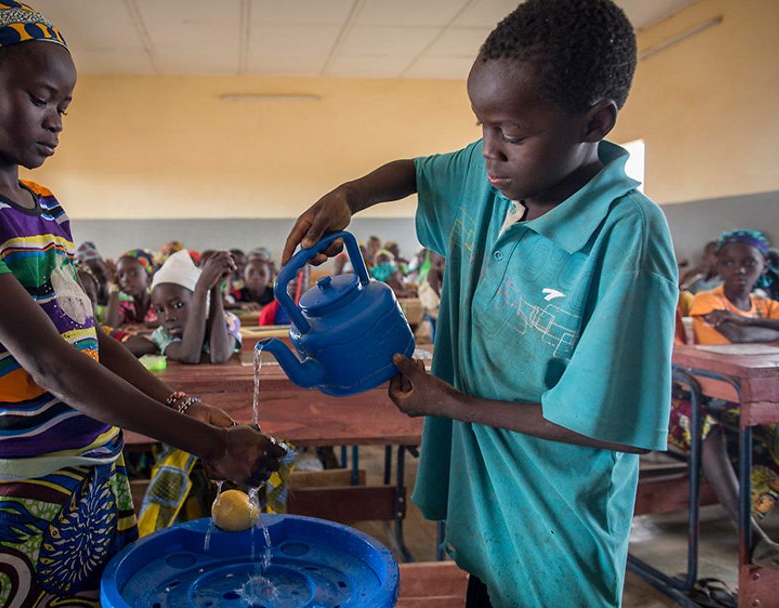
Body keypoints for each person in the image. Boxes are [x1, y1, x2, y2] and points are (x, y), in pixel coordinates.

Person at [280, 1, 676, 605]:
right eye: (481, 127)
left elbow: (611, 426)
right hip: (481, 505)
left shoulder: (627, 236)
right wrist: (351, 195)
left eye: (511, 134)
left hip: (556, 524)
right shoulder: (494, 181)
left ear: (594, 122)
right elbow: (417, 171)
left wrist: (451, 402)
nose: (488, 151)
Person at [0, 3, 282, 605]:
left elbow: (85, 336)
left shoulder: (44, 205)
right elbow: (46, 362)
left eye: (63, 107)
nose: (55, 121)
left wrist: (184, 406)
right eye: (41, 98)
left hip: (96, 466)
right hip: (13, 484)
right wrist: (212, 446)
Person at [669, 230, 779, 568]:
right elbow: (735, 336)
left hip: (721, 396)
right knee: (704, 421)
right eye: (730, 262)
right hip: (683, 398)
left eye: (749, 263)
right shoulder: (705, 301)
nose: (739, 270)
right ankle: (748, 534)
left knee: (778, 427)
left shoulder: (672, 300)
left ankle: (748, 503)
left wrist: (748, 324)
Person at [127, 250, 241, 363]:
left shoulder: (228, 320)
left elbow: (219, 356)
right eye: (159, 310)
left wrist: (215, 287)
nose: (168, 317)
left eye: (178, 305)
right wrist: (201, 288)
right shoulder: (162, 334)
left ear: (201, 301)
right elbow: (189, 356)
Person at [105, 248, 156, 331]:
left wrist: (141, 325)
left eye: (133, 273)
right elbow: (110, 326)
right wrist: (114, 286)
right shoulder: (126, 306)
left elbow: (167, 320)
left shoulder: (158, 301)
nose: (125, 279)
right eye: (121, 275)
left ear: (148, 276)